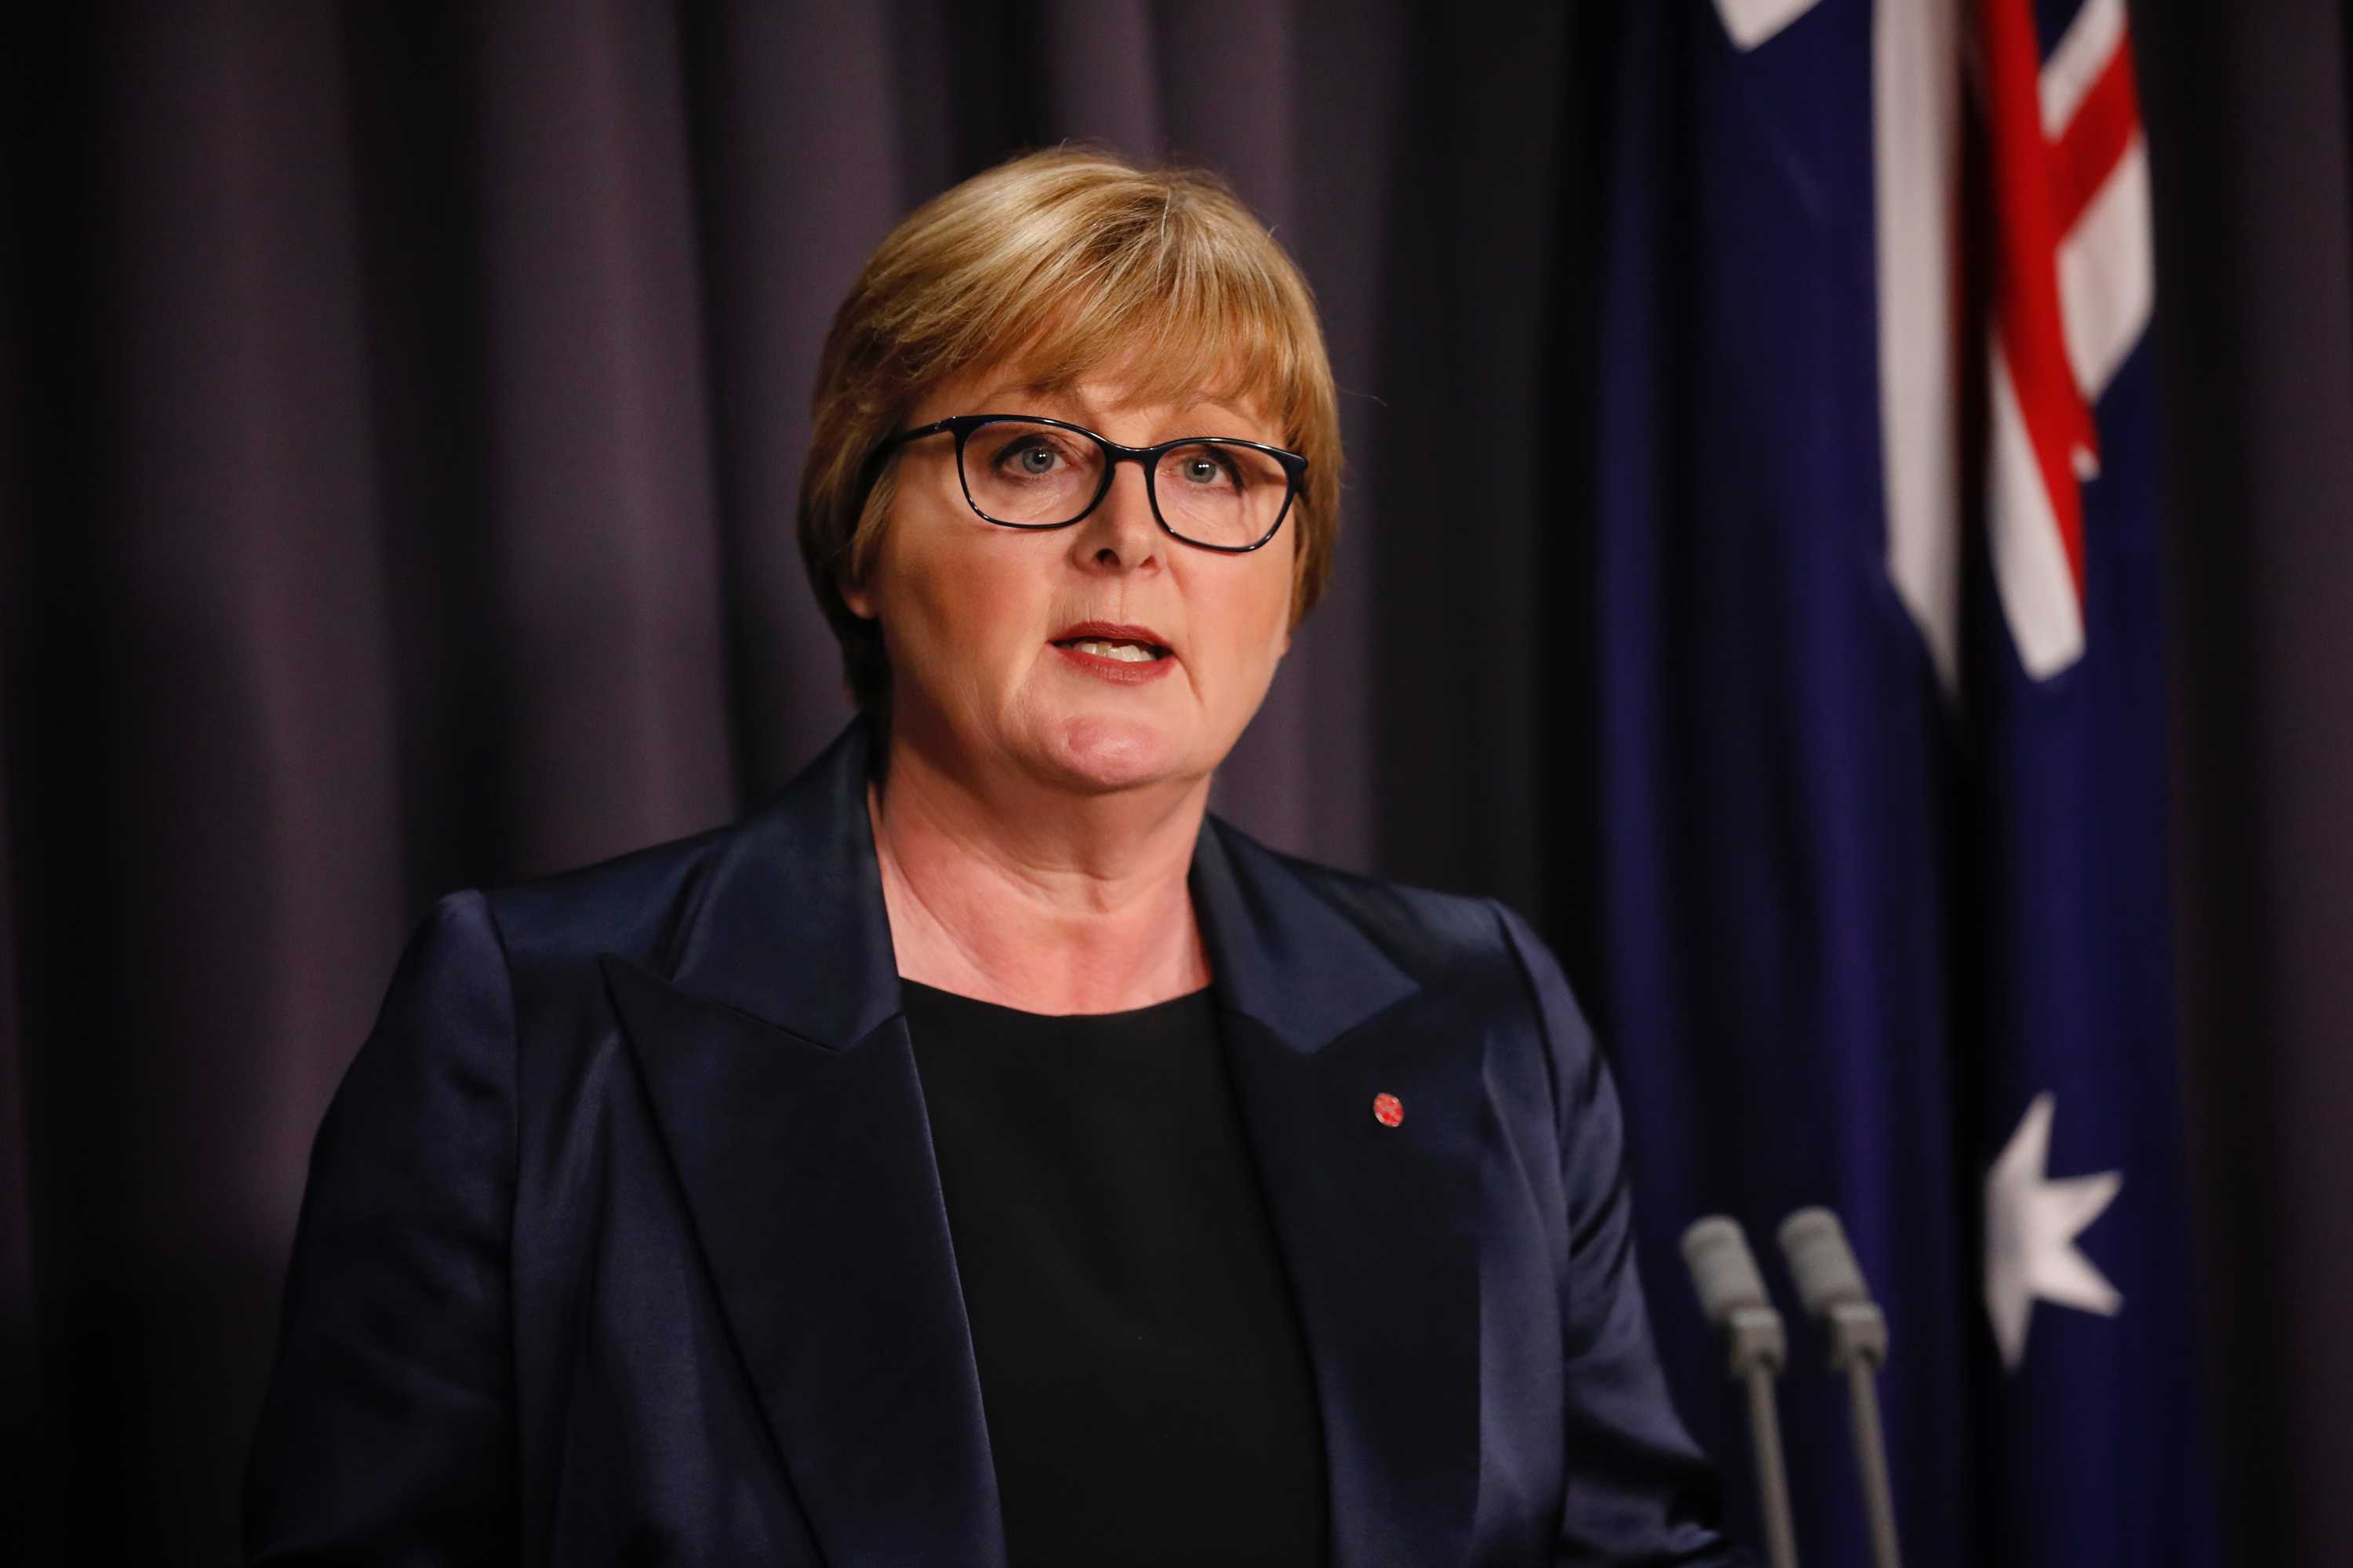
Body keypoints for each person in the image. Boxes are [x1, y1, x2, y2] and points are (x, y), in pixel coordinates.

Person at [245, 146, 1739, 1566]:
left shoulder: (1479, 1017)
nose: (1131, 535)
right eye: (1031, 453)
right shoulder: (537, 1028)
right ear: (862, 540)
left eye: (1213, 467)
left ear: (1294, 581)